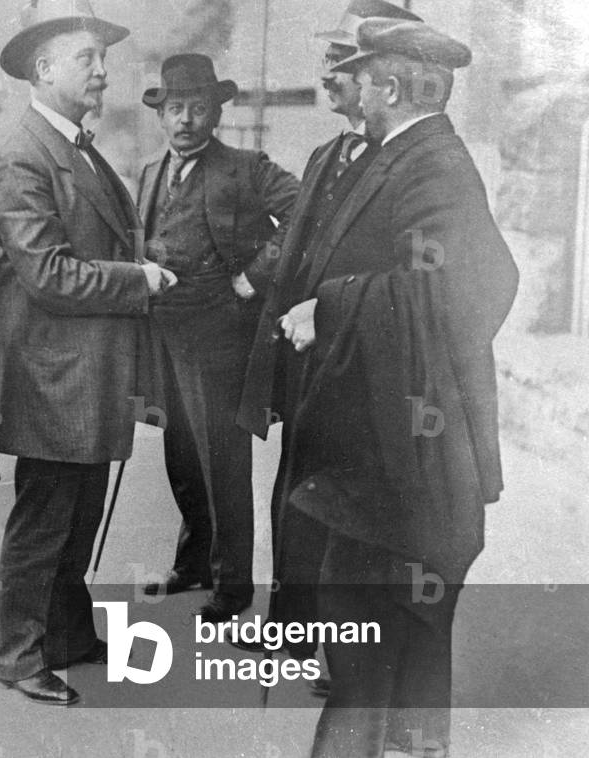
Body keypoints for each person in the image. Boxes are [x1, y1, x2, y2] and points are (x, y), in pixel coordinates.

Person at [277, 19, 518, 756]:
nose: (345, 81)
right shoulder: (402, 155)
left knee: (365, 668)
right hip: (390, 459)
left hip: (403, 467)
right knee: (397, 668)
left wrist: (334, 306)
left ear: (389, 85)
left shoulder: (432, 162)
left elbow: (469, 290)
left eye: (360, 71)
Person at [0, 0, 177, 706]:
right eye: (85, 58)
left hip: (84, 373)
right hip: (51, 376)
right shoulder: (22, 153)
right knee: (44, 520)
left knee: (79, 512)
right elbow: (49, 274)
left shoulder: (76, 147)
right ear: (42, 68)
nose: (101, 71)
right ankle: (19, 654)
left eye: (103, 58)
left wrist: (143, 262)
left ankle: (65, 634)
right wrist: (140, 280)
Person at [234, 0, 421, 661]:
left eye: (341, 59)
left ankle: (345, 657)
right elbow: (296, 238)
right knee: (298, 492)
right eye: (329, 57)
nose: (328, 70)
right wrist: (253, 281)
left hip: (362, 359)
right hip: (312, 355)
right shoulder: (332, 152)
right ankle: (292, 628)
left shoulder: (400, 161)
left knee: (350, 511)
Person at [135, 54, 298, 623]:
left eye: (197, 108)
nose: (185, 120)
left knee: (223, 462)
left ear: (216, 112)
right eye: (175, 108)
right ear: (161, 115)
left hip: (221, 337)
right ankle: (195, 563)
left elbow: (305, 213)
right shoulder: (151, 172)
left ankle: (233, 589)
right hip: (165, 335)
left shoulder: (246, 168)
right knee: (180, 454)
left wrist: (253, 277)